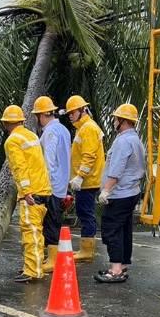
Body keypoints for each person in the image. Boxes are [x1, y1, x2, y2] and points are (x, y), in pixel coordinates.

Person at [94, 103, 146, 284]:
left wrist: (106, 191)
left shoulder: (123, 141)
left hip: (120, 193)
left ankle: (115, 269)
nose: (114, 121)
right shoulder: (135, 139)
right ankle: (122, 265)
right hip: (131, 192)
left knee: (111, 229)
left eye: (116, 119)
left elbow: (116, 169)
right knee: (124, 229)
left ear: (122, 121)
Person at [1, 104, 53, 282]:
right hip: (43, 190)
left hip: (31, 194)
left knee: (30, 233)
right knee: (37, 233)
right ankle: (35, 266)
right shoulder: (31, 136)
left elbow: (19, 168)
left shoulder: (12, 141)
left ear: (7, 124)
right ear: (21, 121)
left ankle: (32, 271)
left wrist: (25, 192)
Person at [31, 96, 71, 273]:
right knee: (54, 220)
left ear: (42, 115)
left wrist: (42, 184)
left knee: (51, 223)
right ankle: (51, 257)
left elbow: (48, 161)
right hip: (61, 183)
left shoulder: (50, 132)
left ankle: (53, 260)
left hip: (51, 185)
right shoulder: (63, 130)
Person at [64, 95, 105, 262]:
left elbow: (89, 156)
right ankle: (86, 249)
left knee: (86, 213)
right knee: (84, 212)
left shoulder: (88, 128)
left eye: (72, 112)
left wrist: (80, 176)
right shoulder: (84, 128)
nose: (70, 116)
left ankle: (87, 251)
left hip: (87, 182)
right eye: (69, 113)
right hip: (87, 181)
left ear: (82, 110)